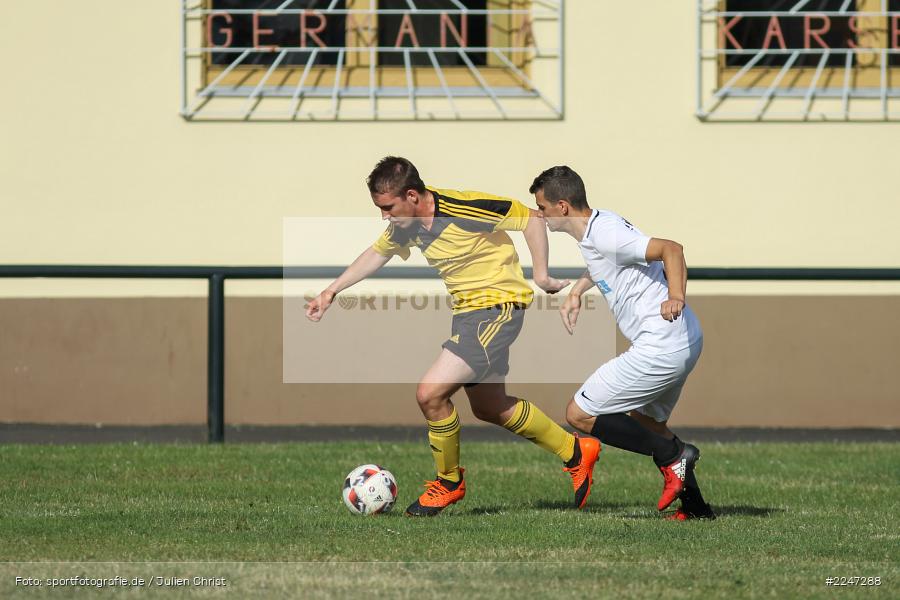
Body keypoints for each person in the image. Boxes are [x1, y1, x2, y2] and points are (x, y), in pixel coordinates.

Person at [306, 156, 601, 516]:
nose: (385, 216)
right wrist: (331, 291)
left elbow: (530, 218)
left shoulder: (462, 206)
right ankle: (575, 451)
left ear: (412, 195)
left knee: (430, 393)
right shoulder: (407, 225)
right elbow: (376, 254)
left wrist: (540, 275)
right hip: (468, 316)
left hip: (497, 308)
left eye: (387, 207)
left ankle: (448, 482)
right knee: (490, 406)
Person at [530, 165, 715, 520]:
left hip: (661, 343)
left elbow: (671, 249)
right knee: (646, 423)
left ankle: (674, 457)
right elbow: (605, 263)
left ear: (563, 207)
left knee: (580, 414)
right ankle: (695, 507)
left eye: (542, 207)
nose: (540, 215)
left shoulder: (605, 234)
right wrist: (578, 292)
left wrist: (675, 295)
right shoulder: (597, 228)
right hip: (683, 339)